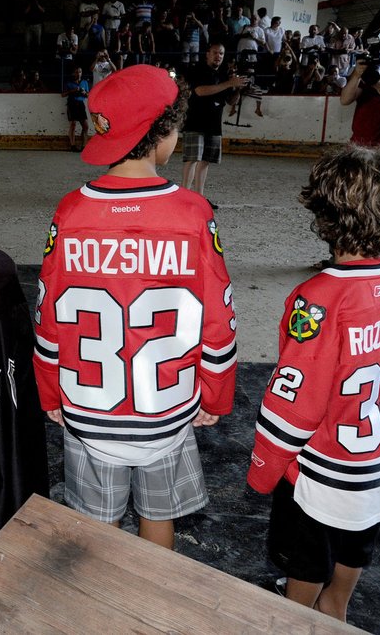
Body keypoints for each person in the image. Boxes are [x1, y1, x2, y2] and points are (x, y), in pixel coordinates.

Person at [33, 64, 237, 550]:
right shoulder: (193, 214)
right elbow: (218, 321)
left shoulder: (72, 212)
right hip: (165, 412)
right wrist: (215, 394)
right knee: (158, 521)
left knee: (99, 534)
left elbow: (47, 319)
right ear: (163, 131)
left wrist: (50, 394)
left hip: (90, 411)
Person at [247, 144, 380, 623]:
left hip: (321, 471)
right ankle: (337, 607)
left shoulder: (319, 300)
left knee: (307, 554)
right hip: (379, 461)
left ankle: (297, 615)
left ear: (323, 213)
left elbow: (296, 401)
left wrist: (264, 469)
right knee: (356, 542)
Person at [180, 42, 247, 208]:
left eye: (222, 54)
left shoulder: (225, 75)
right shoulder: (197, 70)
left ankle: (199, 197)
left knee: (206, 161)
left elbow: (230, 100)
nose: (219, 56)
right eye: (215, 52)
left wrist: (238, 89)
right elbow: (200, 91)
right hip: (195, 121)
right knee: (193, 159)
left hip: (214, 123)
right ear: (207, 54)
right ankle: (184, 197)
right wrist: (229, 84)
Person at [62, 64, 90, 151]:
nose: (78, 74)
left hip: (80, 104)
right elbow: (63, 94)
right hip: (72, 103)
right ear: (73, 73)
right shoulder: (69, 83)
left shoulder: (84, 82)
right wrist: (72, 91)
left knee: (85, 126)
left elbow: (88, 95)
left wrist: (84, 93)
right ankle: (73, 146)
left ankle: (84, 146)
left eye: (80, 72)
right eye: (77, 72)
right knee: (73, 125)